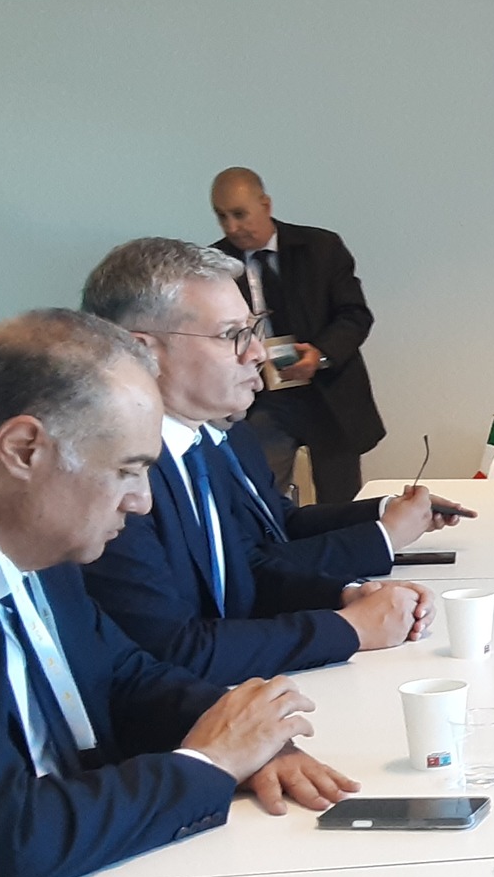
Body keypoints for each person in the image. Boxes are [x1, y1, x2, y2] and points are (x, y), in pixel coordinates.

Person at [0, 310, 353, 877]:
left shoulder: (22, 519)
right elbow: (8, 836)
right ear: (24, 449)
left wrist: (246, 733)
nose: (143, 503)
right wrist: (210, 764)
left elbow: (120, 672)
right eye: (127, 471)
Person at [79, 238, 434, 684]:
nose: (258, 353)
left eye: (254, 329)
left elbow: (243, 575)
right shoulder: (112, 475)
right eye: (232, 335)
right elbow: (172, 649)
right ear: (145, 352)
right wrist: (350, 628)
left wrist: (349, 595)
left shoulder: (197, 445)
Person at [210, 166, 385, 504]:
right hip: (261, 397)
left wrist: (320, 355)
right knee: (261, 497)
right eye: (222, 216)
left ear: (266, 205)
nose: (231, 227)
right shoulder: (215, 264)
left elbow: (354, 315)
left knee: (339, 502)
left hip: (328, 392)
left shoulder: (321, 248)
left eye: (240, 214)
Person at [206, 413, 472, 582]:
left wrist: (388, 510)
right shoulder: (190, 456)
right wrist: (386, 535)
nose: (259, 355)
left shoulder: (236, 432)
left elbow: (285, 521)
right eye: (233, 341)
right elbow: (247, 572)